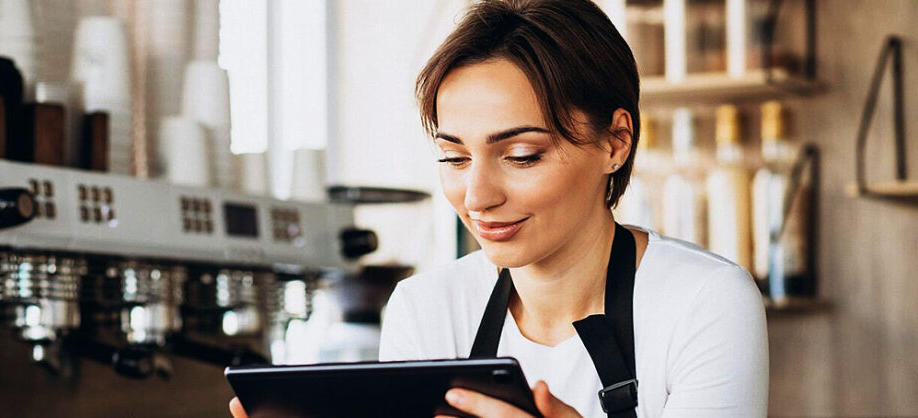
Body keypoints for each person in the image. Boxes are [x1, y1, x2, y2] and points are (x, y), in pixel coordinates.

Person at [230, 0, 767, 417]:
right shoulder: (425, 309)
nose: (478, 196)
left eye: (521, 155)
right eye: (454, 158)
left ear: (615, 142)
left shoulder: (704, 302)